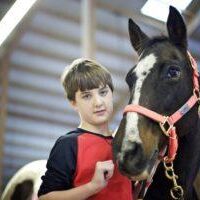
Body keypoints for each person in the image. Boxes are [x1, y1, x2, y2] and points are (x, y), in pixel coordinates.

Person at [38, 58, 133, 200]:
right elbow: (45, 197)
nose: (98, 102)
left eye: (103, 92)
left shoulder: (125, 143)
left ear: (111, 93)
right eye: (87, 96)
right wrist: (92, 187)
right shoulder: (68, 144)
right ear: (74, 103)